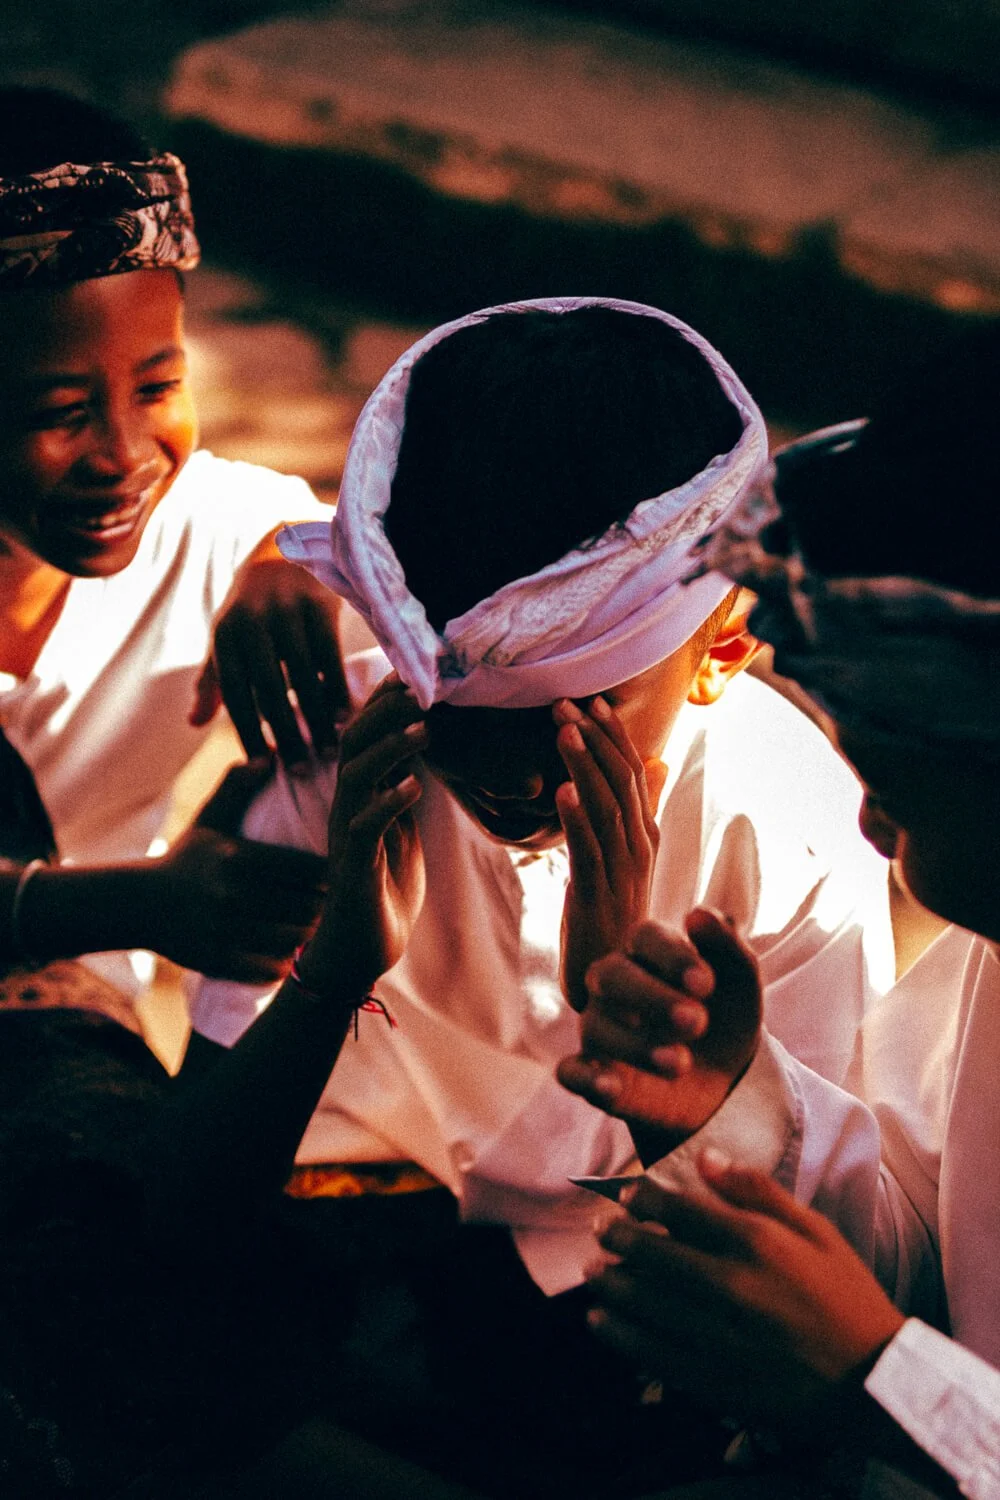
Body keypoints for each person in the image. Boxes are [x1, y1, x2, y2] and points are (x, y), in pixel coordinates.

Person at [159, 298, 894, 1497]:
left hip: (623, 1292)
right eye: (456, 712)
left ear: (720, 645)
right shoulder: (352, 762)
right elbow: (185, 1218)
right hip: (372, 1241)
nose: (499, 771)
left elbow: (800, 1288)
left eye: (560, 716)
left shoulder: (797, 841)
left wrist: (649, 1043)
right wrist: (338, 963)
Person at [574, 326, 1000, 1498]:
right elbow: (936, 1265)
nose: (872, 831)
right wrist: (728, 1111)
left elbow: (905, 1352)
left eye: (903, 794)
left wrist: (886, 1384)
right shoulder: (985, 957)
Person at [0, 86, 352, 1495]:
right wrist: (140, 906)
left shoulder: (206, 528)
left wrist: (312, 561)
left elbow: (402, 546)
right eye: (54, 410)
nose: (123, 454)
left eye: (157, 386)